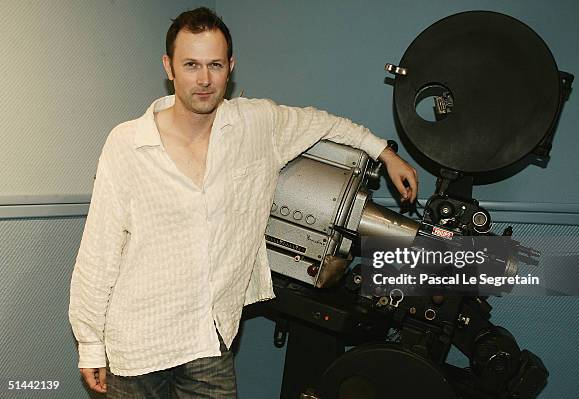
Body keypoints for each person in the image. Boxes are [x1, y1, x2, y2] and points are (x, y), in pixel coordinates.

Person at [69, 6, 418, 399]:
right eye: (191, 65)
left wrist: (385, 154)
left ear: (230, 67)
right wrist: (90, 342)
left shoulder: (256, 125)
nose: (204, 80)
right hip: (136, 346)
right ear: (169, 67)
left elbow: (324, 122)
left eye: (215, 65)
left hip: (209, 341)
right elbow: (98, 250)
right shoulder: (127, 143)